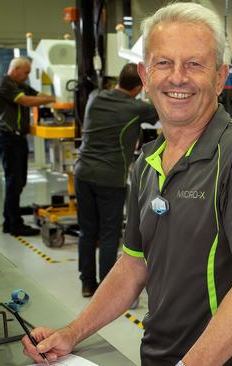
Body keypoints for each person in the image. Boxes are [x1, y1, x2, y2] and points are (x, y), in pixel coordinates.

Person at [22, 3, 232, 366]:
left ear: (221, 76)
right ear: (145, 76)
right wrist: (72, 332)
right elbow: (133, 265)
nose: (177, 77)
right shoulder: (146, 162)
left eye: (194, 64)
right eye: (164, 63)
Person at [74, 63, 159, 299]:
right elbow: (165, 109)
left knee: (87, 232)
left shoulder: (95, 97)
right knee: (110, 233)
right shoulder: (136, 108)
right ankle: (107, 289)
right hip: (110, 177)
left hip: (83, 173)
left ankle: (87, 283)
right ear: (139, 86)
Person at [0, 57, 55, 237]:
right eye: (26, 72)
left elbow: (36, 96)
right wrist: (53, 99)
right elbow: (26, 101)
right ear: (16, 69)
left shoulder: (19, 84)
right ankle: (14, 225)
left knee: (19, 181)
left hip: (18, 139)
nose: (27, 76)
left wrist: (60, 98)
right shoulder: (4, 84)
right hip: (8, 139)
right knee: (14, 181)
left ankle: (9, 220)